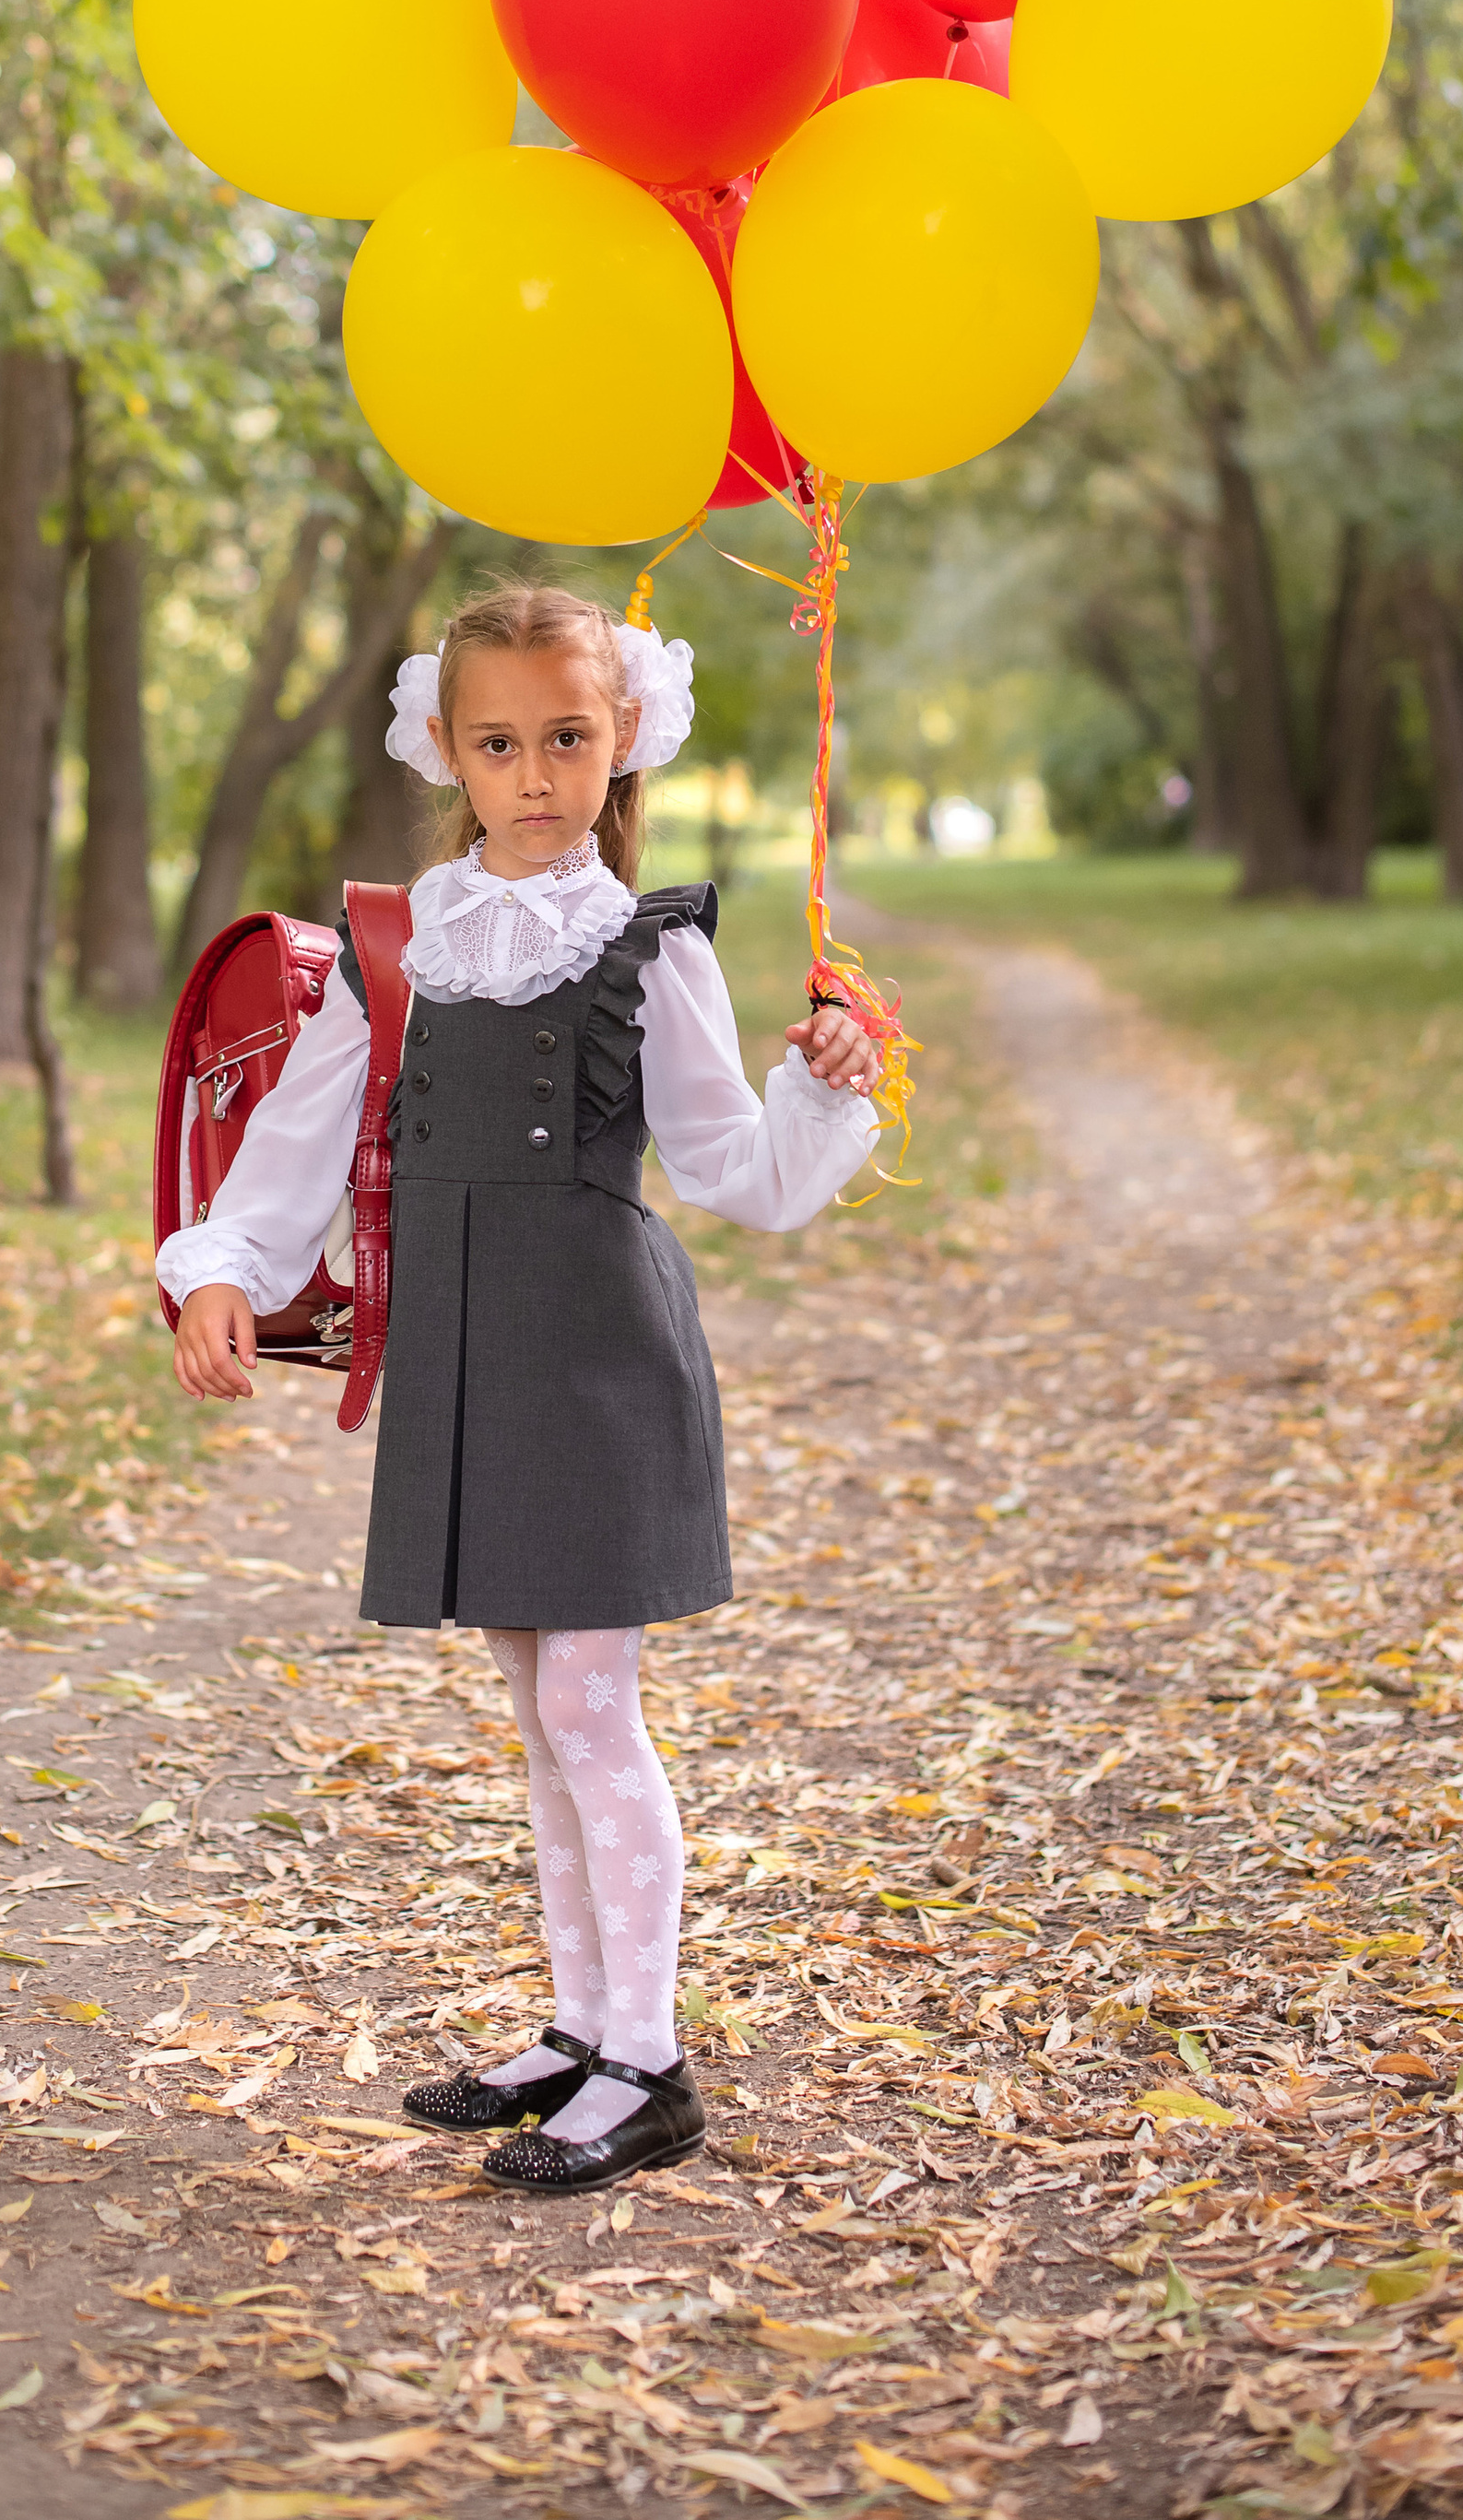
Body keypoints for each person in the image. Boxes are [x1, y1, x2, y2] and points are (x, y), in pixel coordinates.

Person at [160, 583, 883, 2193]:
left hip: (600, 1362)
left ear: (625, 738)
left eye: (570, 734)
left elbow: (735, 1172)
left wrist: (823, 1088)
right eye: (501, 742)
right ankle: (581, 2025)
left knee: (587, 1704)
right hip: (465, 1363)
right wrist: (219, 1266)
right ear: (450, 752)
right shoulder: (390, 951)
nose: (538, 770)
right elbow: (291, 1158)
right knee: (536, 1715)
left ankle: (650, 2060)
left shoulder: (651, 943)